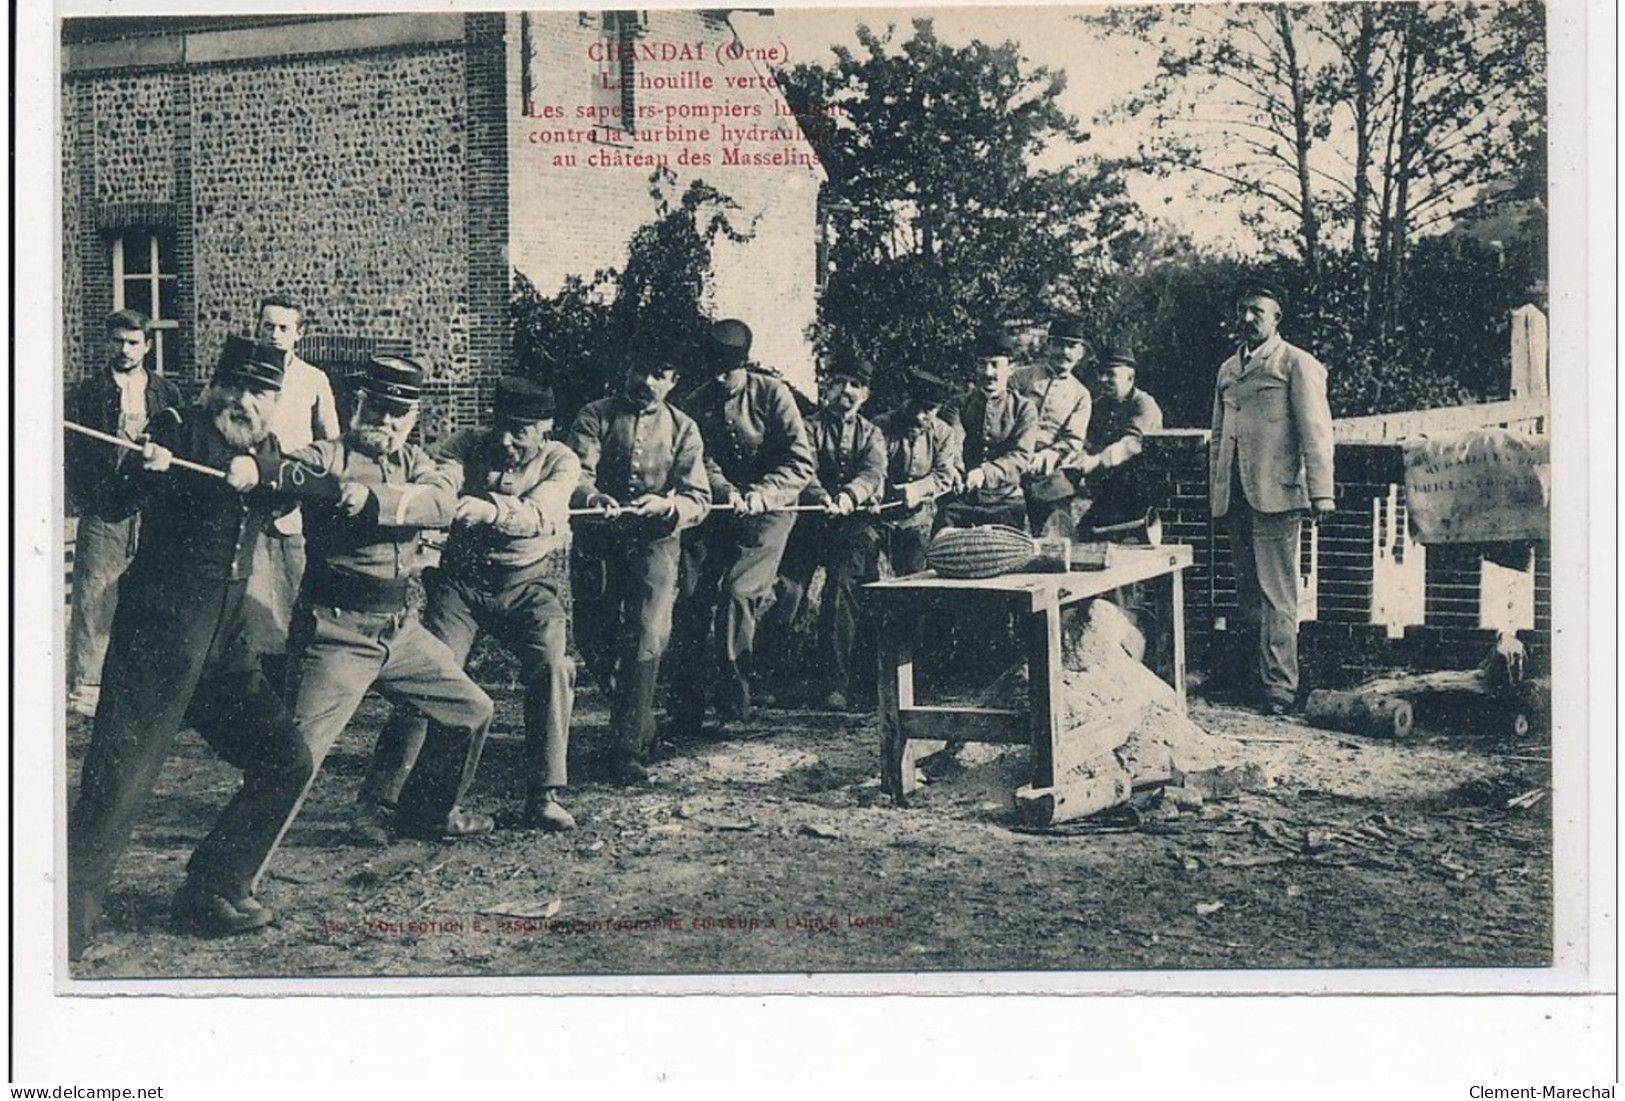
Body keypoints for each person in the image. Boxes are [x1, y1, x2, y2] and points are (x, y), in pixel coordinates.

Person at [67, 337, 311, 959]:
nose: (245, 402)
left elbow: (302, 485)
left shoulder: (267, 451)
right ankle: (59, 926)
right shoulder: (175, 429)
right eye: (235, 387)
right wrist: (140, 467)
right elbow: (111, 503)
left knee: (285, 759)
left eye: (260, 393)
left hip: (224, 653)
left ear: (275, 401)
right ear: (214, 387)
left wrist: (261, 474)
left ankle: (212, 886)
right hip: (158, 643)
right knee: (116, 787)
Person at [245, 356, 496, 881]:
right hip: (335, 634)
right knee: (294, 760)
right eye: (376, 410)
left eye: (396, 415)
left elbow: (442, 502)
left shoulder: (417, 463)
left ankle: (428, 813)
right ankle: (231, 873)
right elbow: (283, 473)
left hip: (400, 631)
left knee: (471, 710)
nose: (385, 423)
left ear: (413, 418)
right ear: (358, 405)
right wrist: (274, 477)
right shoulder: (326, 456)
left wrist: (373, 499)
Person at [356, 376, 580, 838]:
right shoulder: (464, 444)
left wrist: (492, 511)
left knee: (554, 665)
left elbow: (544, 512)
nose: (506, 439)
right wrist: (439, 497)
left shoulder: (562, 460)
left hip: (528, 585)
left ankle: (543, 794)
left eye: (520, 430)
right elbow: (441, 479)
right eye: (501, 425)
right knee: (430, 672)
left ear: (545, 429)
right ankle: (379, 802)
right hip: (462, 584)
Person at [568, 351, 711, 783]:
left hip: (655, 543)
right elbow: (575, 472)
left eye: (661, 373)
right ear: (626, 369)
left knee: (647, 637)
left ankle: (626, 749)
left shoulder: (684, 428)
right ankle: (639, 722)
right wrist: (592, 499)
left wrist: (668, 505)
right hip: (599, 539)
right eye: (642, 369)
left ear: (673, 380)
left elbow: (698, 496)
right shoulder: (595, 415)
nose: (649, 381)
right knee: (593, 635)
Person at [668, 319, 815, 733]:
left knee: (738, 591)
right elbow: (701, 458)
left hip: (772, 511)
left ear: (744, 365)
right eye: (713, 369)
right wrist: (725, 491)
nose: (720, 378)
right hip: (720, 511)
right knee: (692, 595)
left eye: (728, 370)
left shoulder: (772, 394)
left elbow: (799, 462)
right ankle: (686, 708)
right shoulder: (697, 402)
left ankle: (734, 702)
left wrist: (763, 494)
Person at [1210, 282, 1335, 714]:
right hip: (1237, 496)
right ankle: (1254, 683)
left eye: (1257, 312)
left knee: (1278, 595)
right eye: (1242, 310)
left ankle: (1281, 689)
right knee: (1247, 594)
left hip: (1278, 495)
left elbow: (1317, 433)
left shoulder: (1297, 364)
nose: (1247, 319)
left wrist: (1322, 493)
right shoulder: (1228, 369)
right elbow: (1216, 438)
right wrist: (1217, 492)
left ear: (1276, 318)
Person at [64, 309, 184, 717]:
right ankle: (87, 687)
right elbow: (72, 454)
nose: (125, 349)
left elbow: (179, 450)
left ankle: (144, 685)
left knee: (152, 596)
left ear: (147, 346)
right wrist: (90, 498)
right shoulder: (86, 393)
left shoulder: (166, 395)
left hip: (152, 510)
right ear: (107, 343)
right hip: (105, 510)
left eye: (133, 342)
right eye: (117, 341)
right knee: (96, 594)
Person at [764, 349, 887, 710]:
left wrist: (850, 496)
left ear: (865, 394)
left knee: (841, 591)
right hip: (809, 521)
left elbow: (873, 472)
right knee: (788, 590)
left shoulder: (872, 434)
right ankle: (771, 677)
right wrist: (821, 498)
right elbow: (803, 468)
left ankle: (837, 682)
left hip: (852, 524)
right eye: (838, 383)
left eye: (855, 385)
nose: (845, 391)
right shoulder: (807, 427)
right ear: (825, 387)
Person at [241, 294, 341, 678]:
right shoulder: (240, 376)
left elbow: (332, 444)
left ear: (299, 334)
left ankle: (292, 691)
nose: (275, 334)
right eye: (268, 326)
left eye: (284, 328)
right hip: (246, 504)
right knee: (246, 608)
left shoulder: (314, 380)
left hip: (292, 509)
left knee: (292, 602)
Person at [938, 333, 1038, 532]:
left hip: (1004, 499)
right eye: (981, 364)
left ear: (1011, 368)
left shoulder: (1024, 409)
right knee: (943, 550)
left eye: (994, 364)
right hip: (961, 499)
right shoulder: (958, 404)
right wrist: (957, 471)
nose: (987, 372)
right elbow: (952, 443)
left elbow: (1020, 456)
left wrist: (984, 473)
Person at [872, 368, 960, 576]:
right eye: (914, 407)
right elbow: (874, 468)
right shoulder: (880, 427)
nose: (920, 416)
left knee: (915, 577)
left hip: (916, 520)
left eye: (929, 410)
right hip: (876, 517)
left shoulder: (943, 433)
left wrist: (917, 490)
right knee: (864, 577)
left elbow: (943, 474)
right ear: (905, 399)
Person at [1011, 317, 1092, 534]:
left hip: (1048, 470)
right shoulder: (1021, 377)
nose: (1064, 352)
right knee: (1004, 529)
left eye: (1071, 346)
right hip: (1010, 461)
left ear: (1080, 353)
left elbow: (1072, 440)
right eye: (1058, 344)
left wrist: (1046, 457)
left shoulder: (1081, 395)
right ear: (1048, 345)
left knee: (1057, 526)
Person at [1074, 345, 1164, 531]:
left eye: (1110, 374)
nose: (1103, 380)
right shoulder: (1099, 406)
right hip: (1108, 493)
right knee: (1084, 534)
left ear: (1130, 377)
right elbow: (1085, 440)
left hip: (1139, 496)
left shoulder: (1144, 405)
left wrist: (1097, 460)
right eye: (1101, 374)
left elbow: (1131, 443)